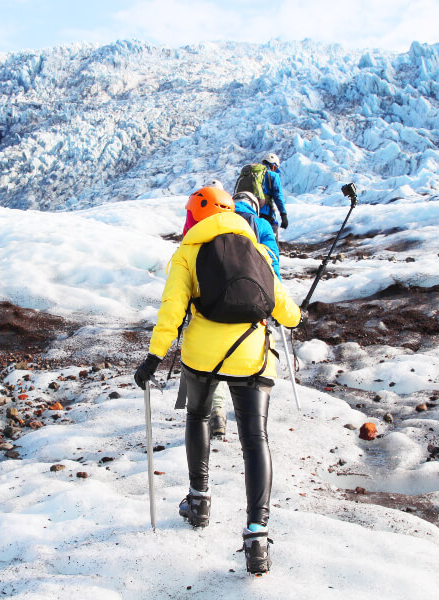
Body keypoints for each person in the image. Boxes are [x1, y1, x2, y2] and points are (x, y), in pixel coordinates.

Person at [134, 186, 302, 574]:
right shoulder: (256, 250)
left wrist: (154, 357)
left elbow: (172, 311)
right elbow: (288, 312)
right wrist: (297, 317)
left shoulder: (186, 253)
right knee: (255, 440)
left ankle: (199, 502)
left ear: (193, 218)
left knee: (198, 416)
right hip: (252, 356)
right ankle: (257, 537)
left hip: (202, 357)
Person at [208, 190, 281, 437]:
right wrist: (276, 302)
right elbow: (272, 263)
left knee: (213, 359)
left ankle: (217, 412)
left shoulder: (217, 219)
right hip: (254, 305)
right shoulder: (261, 224)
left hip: (214, 304)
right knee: (251, 355)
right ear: (255, 206)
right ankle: (251, 420)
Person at [258, 153, 289, 236]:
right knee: (269, 240)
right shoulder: (273, 175)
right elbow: (278, 195)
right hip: (265, 213)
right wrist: (283, 215)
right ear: (273, 166)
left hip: (249, 212)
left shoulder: (253, 175)